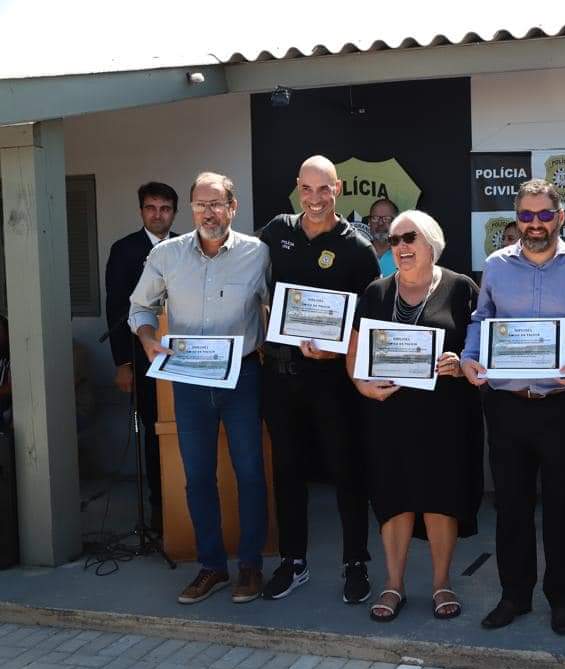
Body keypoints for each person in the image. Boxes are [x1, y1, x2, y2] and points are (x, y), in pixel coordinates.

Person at [462, 179, 565, 636]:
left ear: (560, 217)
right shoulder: (497, 266)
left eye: (544, 215)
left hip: (561, 403)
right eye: (527, 215)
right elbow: (482, 319)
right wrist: (468, 358)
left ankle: (563, 599)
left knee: (564, 507)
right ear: (516, 219)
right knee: (511, 507)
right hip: (507, 403)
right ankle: (514, 596)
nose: (535, 224)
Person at [129, 171, 270, 605]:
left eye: (217, 204)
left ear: (233, 207)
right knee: (197, 478)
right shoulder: (167, 255)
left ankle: (250, 566)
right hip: (188, 379)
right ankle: (212, 567)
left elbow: (274, 307)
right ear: (191, 209)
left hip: (243, 376)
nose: (209, 212)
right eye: (200, 205)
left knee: (249, 473)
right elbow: (140, 307)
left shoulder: (257, 253)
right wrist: (149, 339)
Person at [346, 210, 483, 622]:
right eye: (394, 240)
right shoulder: (375, 291)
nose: (401, 247)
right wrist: (360, 385)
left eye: (410, 238)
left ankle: (442, 583)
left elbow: (479, 347)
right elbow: (355, 348)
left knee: (442, 497)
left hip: (447, 416)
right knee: (393, 497)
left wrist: (461, 363)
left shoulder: (462, 288)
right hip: (390, 415)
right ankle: (394, 584)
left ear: (432, 243)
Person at [258, 156, 380, 603]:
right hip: (282, 376)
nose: (314, 199)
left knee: (346, 470)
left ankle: (356, 563)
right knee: (287, 471)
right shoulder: (275, 233)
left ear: (338, 189)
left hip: (332, 381)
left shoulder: (357, 248)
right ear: (297, 188)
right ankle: (294, 562)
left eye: (323, 189)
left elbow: (371, 317)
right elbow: (249, 283)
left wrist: (340, 345)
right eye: (306, 189)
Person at [104, 181, 179, 533]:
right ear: (141, 211)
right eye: (151, 208)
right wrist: (123, 363)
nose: (158, 214)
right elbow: (117, 308)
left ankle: (184, 505)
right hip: (142, 356)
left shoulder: (188, 246)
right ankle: (160, 508)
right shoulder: (125, 250)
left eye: (165, 208)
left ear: (174, 213)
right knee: (153, 431)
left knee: (183, 430)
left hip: (184, 357)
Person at [368, 198, 399, 277]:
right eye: (375, 218)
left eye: (387, 219)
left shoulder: (404, 254)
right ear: (369, 222)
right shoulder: (359, 253)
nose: (380, 223)